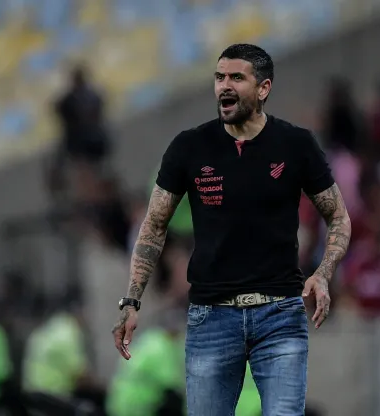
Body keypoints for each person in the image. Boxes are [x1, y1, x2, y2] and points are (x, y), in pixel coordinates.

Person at [111, 44, 352, 415]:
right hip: (212, 317)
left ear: (263, 88)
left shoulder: (295, 145)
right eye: (219, 77)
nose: (225, 86)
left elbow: (337, 216)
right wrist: (131, 300)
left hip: (280, 317)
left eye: (237, 78)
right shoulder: (189, 147)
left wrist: (323, 272)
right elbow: (154, 226)